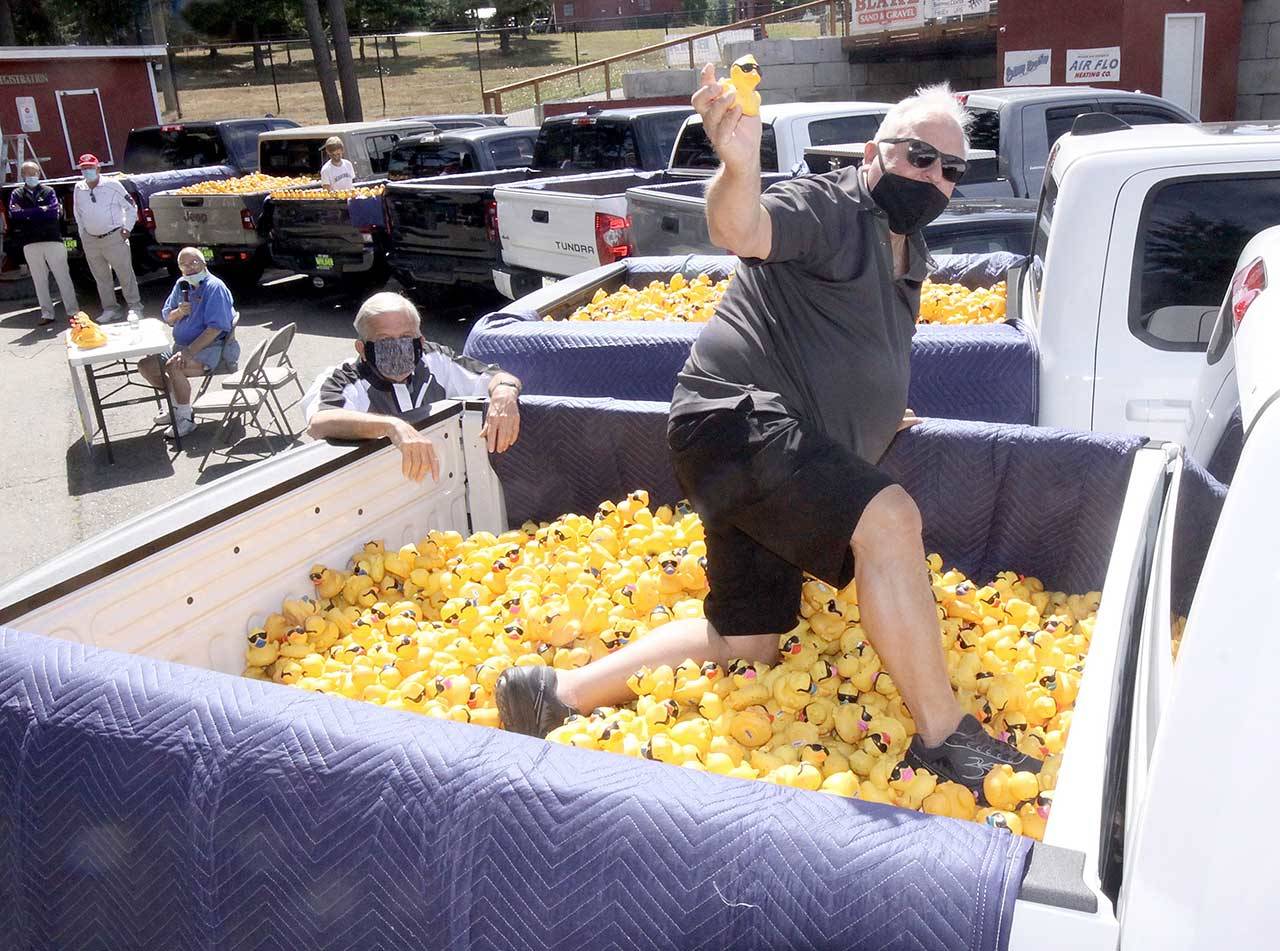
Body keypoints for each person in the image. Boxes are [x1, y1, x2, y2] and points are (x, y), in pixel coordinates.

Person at [495, 72, 1040, 798]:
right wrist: (739, 163)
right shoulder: (831, 204)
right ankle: (945, 736)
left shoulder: (911, 254)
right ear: (875, 152)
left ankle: (553, 692)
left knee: (746, 640)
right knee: (891, 517)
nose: (933, 177)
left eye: (950, 169)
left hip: (758, 447)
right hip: (735, 422)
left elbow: (853, 346)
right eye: (918, 156)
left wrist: (878, 416)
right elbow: (740, 227)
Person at [304, 292, 522, 479]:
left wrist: (505, 392)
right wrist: (392, 426)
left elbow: (496, 377)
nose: (398, 347)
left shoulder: (435, 358)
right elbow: (320, 421)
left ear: (420, 340)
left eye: (406, 337)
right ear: (361, 348)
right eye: (384, 340)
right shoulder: (344, 378)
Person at [138, 247, 240, 438]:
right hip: (180, 346)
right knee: (146, 366)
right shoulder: (181, 284)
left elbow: (215, 329)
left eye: (194, 263)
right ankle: (175, 405)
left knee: (174, 366)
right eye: (183, 265)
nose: (189, 268)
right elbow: (167, 317)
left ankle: (185, 418)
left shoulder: (214, 287)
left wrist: (189, 353)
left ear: (204, 264)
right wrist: (179, 312)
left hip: (211, 349)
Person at [72, 153, 142, 323]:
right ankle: (111, 308)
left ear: (98, 168)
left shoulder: (113, 185)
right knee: (101, 277)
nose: (87, 171)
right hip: (91, 239)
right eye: (84, 168)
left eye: (90, 167)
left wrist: (127, 228)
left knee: (125, 274)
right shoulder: (79, 188)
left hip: (114, 236)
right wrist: (83, 233)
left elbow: (131, 207)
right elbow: (77, 212)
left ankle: (135, 307)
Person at [7, 162, 80, 325]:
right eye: (27, 173)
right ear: (22, 175)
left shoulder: (48, 191)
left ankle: (73, 312)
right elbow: (14, 214)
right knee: (39, 280)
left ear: (39, 173)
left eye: (33, 173)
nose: (30, 176)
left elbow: (53, 211)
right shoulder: (17, 193)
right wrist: (41, 210)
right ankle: (47, 314)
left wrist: (27, 213)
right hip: (30, 242)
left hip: (52, 239)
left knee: (63, 277)